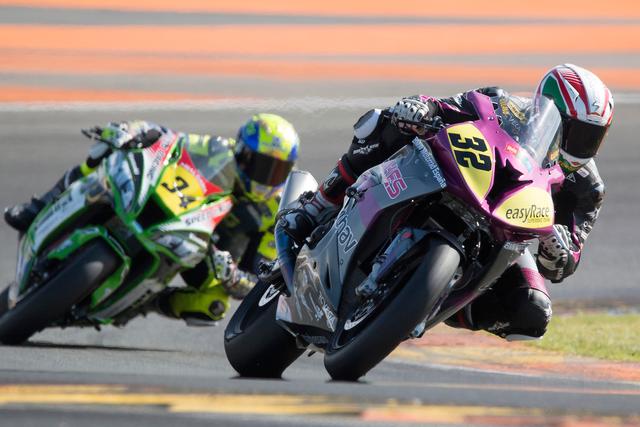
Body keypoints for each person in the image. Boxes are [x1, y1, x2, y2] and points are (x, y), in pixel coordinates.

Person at [281, 64, 611, 340]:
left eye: (591, 138)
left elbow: (565, 262)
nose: (580, 147)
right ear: (547, 109)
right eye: (576, 133)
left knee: (533, 310)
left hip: (506, 232)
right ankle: (318, 205)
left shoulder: (588, 188)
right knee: (385, 123)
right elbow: (441, 106)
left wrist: (557, 250)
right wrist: (420, 108)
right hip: (457, 181)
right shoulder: (503, 105)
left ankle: (424, 304)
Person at [4, 114, 300, 325]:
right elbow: (170, 138)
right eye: (262, 165)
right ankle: (39, 205)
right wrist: (132, 131)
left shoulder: (271, 214)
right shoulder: (218, 150)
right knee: (107, 152)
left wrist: (234, 276)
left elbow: (265, 279)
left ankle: (147, 302)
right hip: (178, 213)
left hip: (210, 258)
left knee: (212, 306)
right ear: (243, 152)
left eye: (277, 170)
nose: (267, 177)